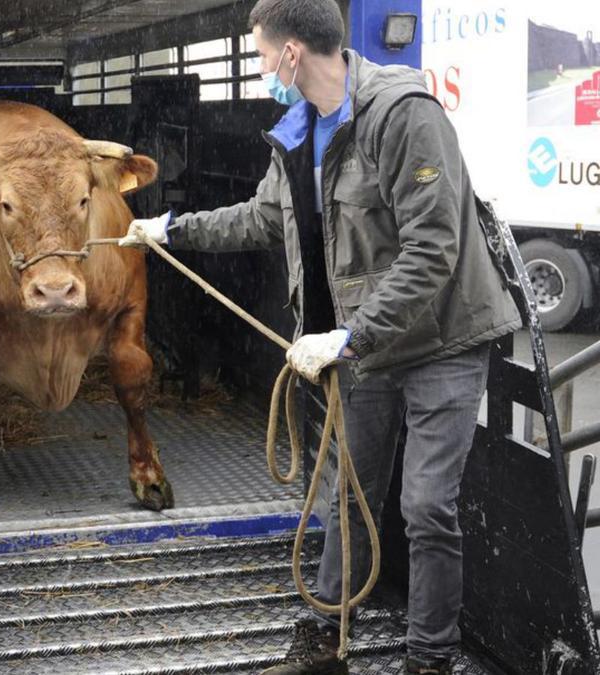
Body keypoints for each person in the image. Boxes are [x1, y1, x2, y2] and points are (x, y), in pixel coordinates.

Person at [119, 0, 521, 673]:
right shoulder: (297, 132)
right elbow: (259, 218)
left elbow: (433, 248)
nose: (260, 69)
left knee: (425, 505)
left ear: (291, 54)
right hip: (364, 345)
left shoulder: (401, 115)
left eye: (259, 56)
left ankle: (430, 656)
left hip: (442, 339)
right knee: (347, 489)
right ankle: (327, 628)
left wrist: (348, 337)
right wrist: (173, 230)